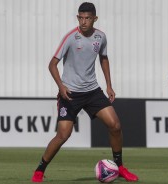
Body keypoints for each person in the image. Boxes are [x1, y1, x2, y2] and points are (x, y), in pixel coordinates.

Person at [31, 2, 138, 182]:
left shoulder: (100, 37)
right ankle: (39, 170)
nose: (83, 21)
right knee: (63, 135)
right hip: (70, 94)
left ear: (94, 19)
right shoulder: (71, 38)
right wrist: (61, 86)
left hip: (92, 91)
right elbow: (52, 64)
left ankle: (119, 167)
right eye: (80, 17)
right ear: (77, 18)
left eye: (87, 18)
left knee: (115, 125)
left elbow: (103, 58)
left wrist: (109, 85)